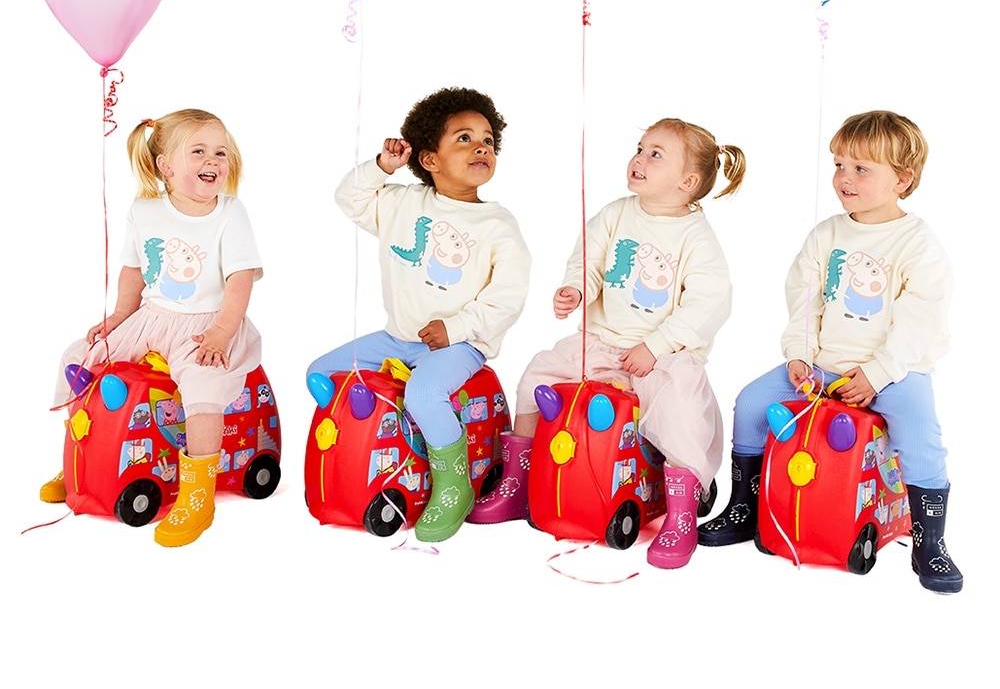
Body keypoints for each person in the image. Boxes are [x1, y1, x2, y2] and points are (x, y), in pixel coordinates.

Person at [698, 110, 963, 594]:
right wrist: (799, 354)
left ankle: (930, 542)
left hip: (895, 371)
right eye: (840, 165)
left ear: (902, 179)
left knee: (920, 432)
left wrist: (879, 373)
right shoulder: (826, 235)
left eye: (862, 168)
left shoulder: (917, 243)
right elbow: (804, 299)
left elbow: (921, 318)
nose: (845, 177)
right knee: (752, 403)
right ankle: (745, 506)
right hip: (822, 367)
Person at [469, 117, 745, 571]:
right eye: (640, 148)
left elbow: (707, 303)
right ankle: (519, 479)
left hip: (664, 357)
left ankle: (681, 511)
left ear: (687, 182)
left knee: (680, 409)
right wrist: (576, 289)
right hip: (601, 342)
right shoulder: (616, 214)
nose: (639, 159)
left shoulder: (696, 237)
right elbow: (589, 261)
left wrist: (656, 345)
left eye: (656, 154)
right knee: (538, 373)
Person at [306, 87, 530, 542]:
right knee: (322, 372)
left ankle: (454, 485)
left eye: (488, 140)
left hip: (461, 345)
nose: (481, 147)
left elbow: (507, 297)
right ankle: (362, 454)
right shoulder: (402, 203)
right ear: (429, 159)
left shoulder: (497, 225)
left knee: (425, 394)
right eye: (464, 138)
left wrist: (456, 328)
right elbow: (349, 198)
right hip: (398, 337)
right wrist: (381, 167)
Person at [39, 108, 263, 548]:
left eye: (220, 152)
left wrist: (222, 332)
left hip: (208, 324)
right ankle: (83, 459)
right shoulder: (144, 211)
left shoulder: (230, 213)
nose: (213, 160)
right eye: (198, 151)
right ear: (166, 166)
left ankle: (198, 492)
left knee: (202, 384)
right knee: (78, 356)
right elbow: (133, 270)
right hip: (151, 318)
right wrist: (119, 317)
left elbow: (240, 280)